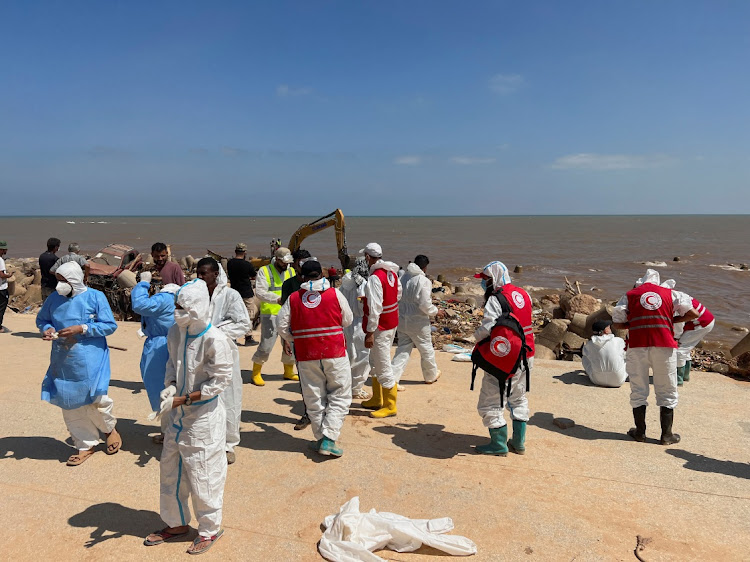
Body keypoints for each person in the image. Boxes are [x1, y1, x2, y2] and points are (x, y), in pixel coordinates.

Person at [144, 279, 233, 554]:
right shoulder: (176, 332)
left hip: (203, 418)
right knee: (171, 469)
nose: (176, 311)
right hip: (178, 418)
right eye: (176, 306)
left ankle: (209, 529)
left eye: (181, 307)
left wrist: (184, 398)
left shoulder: (214, 339)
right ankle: (176, 523)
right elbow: (172, 364)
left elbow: (221, 380)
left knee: (204, 474)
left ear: (196, 307)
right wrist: (170, 387)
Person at [36, 262, 121, 466]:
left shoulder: (95, 297)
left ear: (75, 279)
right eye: (58, 280)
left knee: (96, 399)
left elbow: (109, 325)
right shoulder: (54, 298)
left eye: (64, 281)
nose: (59, 285)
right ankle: (85, 444)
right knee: (70, 402)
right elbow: (42, 319)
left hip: (91, 358)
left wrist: (82, 328)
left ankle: (109, 429)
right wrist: (47, 330)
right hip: (64, 359)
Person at [612, 269, 698, 445]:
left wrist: (635, 322)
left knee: (638, 389)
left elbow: (617, 321)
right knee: (667, 389)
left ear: (641, 283)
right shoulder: (671, 293)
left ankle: (640, 432)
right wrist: (670, 320)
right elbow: (693, 314)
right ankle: (666, 435)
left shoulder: (630, 294)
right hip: (664, 346)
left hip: (637, 346)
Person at [277, 260, 353, 456]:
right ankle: (329, 439)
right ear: (322, 274)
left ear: (302, 275)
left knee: (314, 397)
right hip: (334, 351)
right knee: (340, 394)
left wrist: (293, 338)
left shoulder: (294, 298)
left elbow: (281, 325)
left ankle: (321, 438)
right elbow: (348, 319)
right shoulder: (335, 294)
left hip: (306, 353)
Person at [473, 261, 535, 456]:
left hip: (506, 358)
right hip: (527, 354)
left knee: (490, 401)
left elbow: (487, 329)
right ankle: (518, 443)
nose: (483, 284)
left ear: (493, 279)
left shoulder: (496, 300)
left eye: (485, 280)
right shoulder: (524, 294)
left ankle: (498, 444)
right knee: (518, 397)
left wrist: (476, 337)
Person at [196, 257, 251, 465]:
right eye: (197, 273)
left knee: (229, 397)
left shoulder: (230, 295)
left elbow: (243, 324)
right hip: (199, 355)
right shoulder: (196, 295)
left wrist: (215, 332)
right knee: (202, 396)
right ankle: (207, 440)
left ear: (216, 274)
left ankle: (229, 444)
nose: (200, 277)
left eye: (204, 273)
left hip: (225, 354)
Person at [130, 271, 178, 443]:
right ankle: (169, 432)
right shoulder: (178, 298)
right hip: (170, 343)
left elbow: (140, 304)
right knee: (171, 387)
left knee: (160, 389)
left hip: (160, 347)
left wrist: (143, 284)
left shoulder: (165, 298)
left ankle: (170, 434)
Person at [359, 243, 402, 418]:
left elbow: (376, 307)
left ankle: (390, 405)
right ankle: (377, 398)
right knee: (376, 361)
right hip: (391, 322)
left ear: (368, 257)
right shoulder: (391, 272)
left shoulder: (375, 277)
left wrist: (370, 332)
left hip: (381, 326)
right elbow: (398, 294)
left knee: (382, 364)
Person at [390, 255, 444, 385]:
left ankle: (392, 378)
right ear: (425, 267)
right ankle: (430, 375)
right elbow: (424, 304)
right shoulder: (423, 280)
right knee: (426, 349)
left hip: (403, 320)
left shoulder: (403, 277)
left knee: (402, 350)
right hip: (418, 322)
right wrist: (436, 311)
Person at [251, 247, 297, 386]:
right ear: (277, 259)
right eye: (284, 262)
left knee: (291, 344)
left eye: (288, 262)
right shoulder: (264, 271)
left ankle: (288, 371)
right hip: (270, 313)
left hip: (288, 312)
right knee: (266, 345)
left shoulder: (291, 270)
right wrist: (277, 299)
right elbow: (260, 292)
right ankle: (256, 372)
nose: (286, 265)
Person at [280, 249, 312, 430]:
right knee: (305, 378)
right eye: (300, 261)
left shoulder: (318, 284)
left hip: (318, 338)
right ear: (294, 263)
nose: (303, 264)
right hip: (298, 338)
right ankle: (308, 413)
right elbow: (284, 314)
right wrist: (286, 340)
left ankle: (323, 412)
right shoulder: (289, 285)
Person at [339, 257, 371, 400]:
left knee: (348, 356)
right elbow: (364, 305)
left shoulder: (344, 283)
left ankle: (345, 386)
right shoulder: (363, 283)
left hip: (345, 323)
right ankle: (356, 389)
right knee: (362, 358)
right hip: (359, 323)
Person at [673, 296, 715, 385]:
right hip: (705, 321)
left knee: (680, 349)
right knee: (686, 347)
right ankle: (685, 375)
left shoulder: (674, 303)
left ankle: (677, 378)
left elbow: (678, 325)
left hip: (701, 324)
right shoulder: (675, 295)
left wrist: (676, 338)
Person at [226, 243, 259, 346]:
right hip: (246, 292)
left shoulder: (230, 263)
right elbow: (254, 275)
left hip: (234, 292)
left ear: (235, 251)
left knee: (234, 315)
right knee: (249, 315)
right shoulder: (247, 265)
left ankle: (234, 337)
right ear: (245, 252)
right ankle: (248, 337)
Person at [581, 320, 627, 388]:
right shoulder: (618, 340)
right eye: (609, 327)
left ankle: (596, 373)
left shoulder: (590, 344)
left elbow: (585, 355)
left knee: (585, 357)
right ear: (606, 331)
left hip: (597, 380)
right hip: (618, 381)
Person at [39, 237, 61, 302]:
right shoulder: (55, 259)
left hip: (43, 283)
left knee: (45, 304)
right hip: (52, 285)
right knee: (53, 304)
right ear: (56, 247)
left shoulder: (42, 256)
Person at [0, 241, 11, 333]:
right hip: (1, 288)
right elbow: (1, 275)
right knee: (1, 308)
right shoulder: (0, 260)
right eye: (5, 249)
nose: (6, 250)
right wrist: (9, 275)